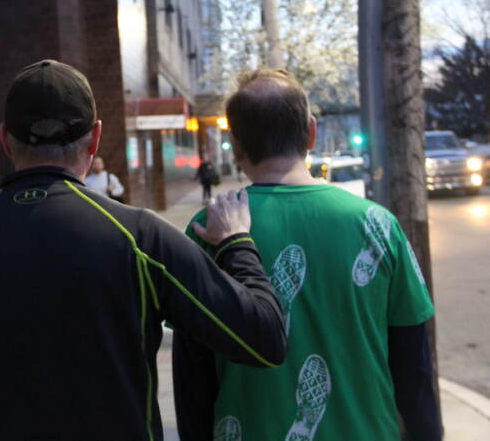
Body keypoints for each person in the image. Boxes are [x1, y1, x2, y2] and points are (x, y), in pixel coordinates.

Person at [0, 59, 288, 440]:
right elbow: (263, 337)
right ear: (95, 139)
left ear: (5, 140)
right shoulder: (139, 239)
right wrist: (236, 243)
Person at [173, 69, 442, 441]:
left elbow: (193, 376)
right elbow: (415, 368)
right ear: (311, 132)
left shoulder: (210, 230)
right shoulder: (379, 224)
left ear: (235, 145)